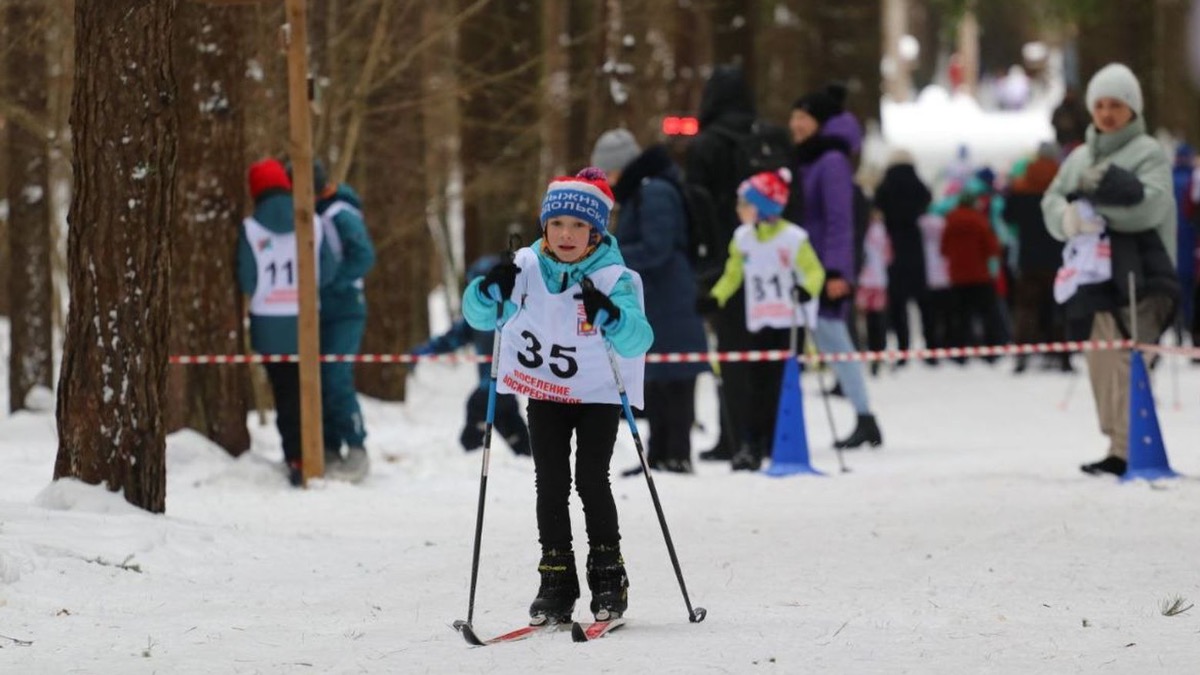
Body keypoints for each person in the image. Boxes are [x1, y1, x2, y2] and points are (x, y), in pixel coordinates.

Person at [462, 168, 653, 624]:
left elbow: (638, 338)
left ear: (596, 232)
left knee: (590, 479)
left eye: (578, 226)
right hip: (545, 391)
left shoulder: (613, 276)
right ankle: (556, 580)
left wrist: (613, 316)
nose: (566, 235)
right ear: (544, 226)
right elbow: (479, 315)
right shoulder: (526, 266)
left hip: (596, 395)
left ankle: (608, 576)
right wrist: (489, 290)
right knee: (549, 482)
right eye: (557, 224)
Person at [1042, 63, 1179, 476]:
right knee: (1100, 359)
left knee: (1127, 358)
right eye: (1099, 105)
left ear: (1132, 108)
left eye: (1115, 105)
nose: (1106, 113)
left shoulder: (1147, 153)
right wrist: (1068, 219)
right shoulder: (1079, 157)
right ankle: (1117, 444)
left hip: (1142, 275)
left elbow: (1152, 205)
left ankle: (1131, 444)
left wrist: (1097, 214)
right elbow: (1051, 200)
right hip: (1093, 276)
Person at [592, 129, 708, 473]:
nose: (608, 181)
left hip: (670, 295)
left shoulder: (654, 191)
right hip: (657, 296)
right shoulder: (643, 190)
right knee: (656, 375)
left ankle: (678, 454)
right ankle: (657, 454)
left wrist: (610, 258)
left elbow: (658, 247)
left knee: (675, 377)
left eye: (609, 172)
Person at [697, 169, 825, 471]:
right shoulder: (742, 238)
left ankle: (778, 439)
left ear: (764, 207)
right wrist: (716, 297)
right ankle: (752, 444)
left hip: (788, 322)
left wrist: (806, 290)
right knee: (755, 385)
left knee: (781, 383)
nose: (739, 209)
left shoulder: (793, 238)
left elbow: (814, 271)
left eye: (745, 204)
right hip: (759, 320)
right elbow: (733, 274)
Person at [783, 86, 883, 450]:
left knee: (835, 340)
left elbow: (840, 221)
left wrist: (837, 272)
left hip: (823, 270)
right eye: (793, 116)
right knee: (828, 342)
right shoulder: (809, 158)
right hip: (803, 266)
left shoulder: (831, 161)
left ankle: (865, 417)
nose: (794, 124)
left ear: (820, 123)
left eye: (802, 117)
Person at [237, 158, 337, 486]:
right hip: (306, 319)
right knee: (311, 387)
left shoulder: (250, 229)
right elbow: (329, 268)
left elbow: (247, 279)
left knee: (285, 392)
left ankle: (295, 455)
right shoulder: (313, 223)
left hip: (268, 324)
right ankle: (317, 452)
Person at [683, 64, 761, 462]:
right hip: (769, 261)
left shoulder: (706, 145)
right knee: (764, 352)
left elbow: (696, 206)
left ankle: (733, 435)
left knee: (730, 351)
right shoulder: (763, 140)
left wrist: (701, 261)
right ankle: (763, 434)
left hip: (721, 262)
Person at [410, 255, 532, 457]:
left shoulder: (516, 311)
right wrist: (424, 351)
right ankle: (525, 452)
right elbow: (452, 338)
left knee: (478, 409)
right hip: (495, 386)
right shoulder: (477, 317)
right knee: (505, 416)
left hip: (503, 383)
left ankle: (472, 455)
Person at [310, 162, 376, 482]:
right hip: (323, 309)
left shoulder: (339, 213)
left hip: (345, 308)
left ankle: (357, 448)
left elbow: (364, 255)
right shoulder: (318, 213)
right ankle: (330, 447)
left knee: (336, 377)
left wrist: (331, 284)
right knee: (320, 378)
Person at [1004, 142, 1069, 373]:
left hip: (1028, 258)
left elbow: (1008, 216)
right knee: (1059, 308)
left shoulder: (1022, 184)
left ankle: (1022, 356)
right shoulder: (1062, 184)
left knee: (1026, 309)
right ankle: (1063, 357)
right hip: (1058, 257)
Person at [873, 149, 933, 362]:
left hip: (892, 245)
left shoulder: (885, 185)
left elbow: (877, 205)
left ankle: (903, 349)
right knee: (923, 302)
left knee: (897, 303)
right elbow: (927, 200)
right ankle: (931, 348)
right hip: (914, 244)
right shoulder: (917, 184)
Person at [941, 180, 1006, 358]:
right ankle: (991, 351)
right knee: (987, 315)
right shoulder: (979, 220)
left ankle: (960, 353)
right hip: (980, 276)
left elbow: (943, 249)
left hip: (957, 276)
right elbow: (992, 248)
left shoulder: (950, 220)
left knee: (961, 317)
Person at [857, 209, 892, 376]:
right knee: (879, 320)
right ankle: (879, 351)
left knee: (867, 320)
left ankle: (870, 351)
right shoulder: (883, 231)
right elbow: (888, 256)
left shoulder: (861, 229)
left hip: (865, 280)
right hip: (879, 280)